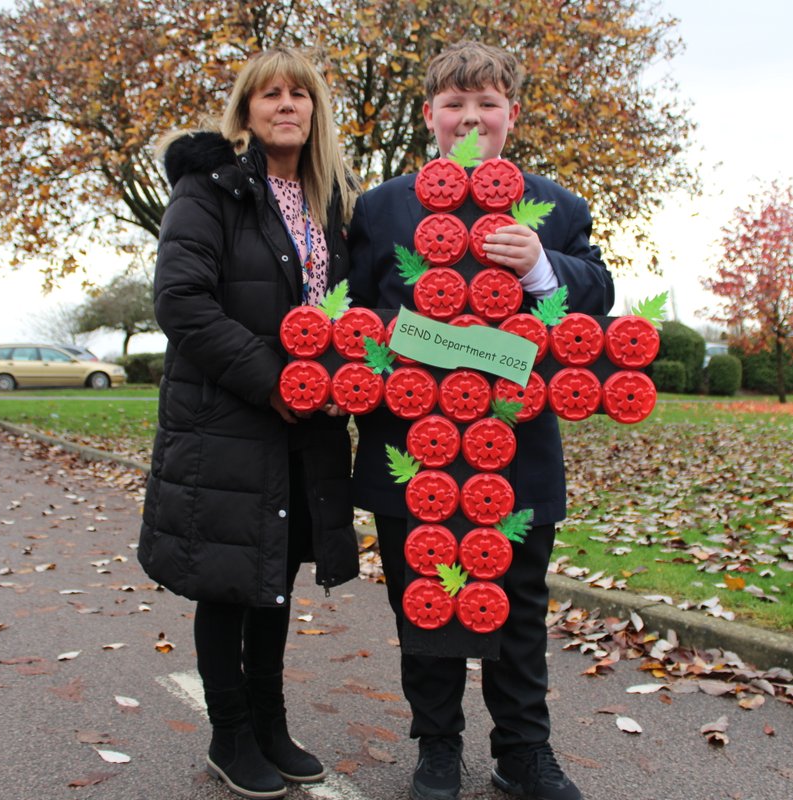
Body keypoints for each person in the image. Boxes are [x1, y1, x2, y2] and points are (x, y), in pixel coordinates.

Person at [348, 41, 613, 800]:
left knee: (521, 603)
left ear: (512, 114)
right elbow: (358, 314)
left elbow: (595, 295)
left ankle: (522, 751)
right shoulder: (382, 207)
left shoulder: (557, 208)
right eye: (455, 104)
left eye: (487, 104)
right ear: (429, 114)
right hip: (415, 451)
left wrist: (540, 268)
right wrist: (412, 341)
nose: (471, 118)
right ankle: (437, 748)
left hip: (517, 449)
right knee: (422, 596)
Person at [137, 48, 360, 800]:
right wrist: (276, 383)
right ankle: (229, 732)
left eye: (300, 94)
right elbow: (182, 302)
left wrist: (344, 380)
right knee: (230, 583)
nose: (285, 105)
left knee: (277, 573)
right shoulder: (210, 190)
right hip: (230, 421)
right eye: (270, 94)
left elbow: (347, 311)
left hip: (312, 426)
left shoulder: (335, 200)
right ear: (246, 109)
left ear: (316, 109)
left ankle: (270, 721)